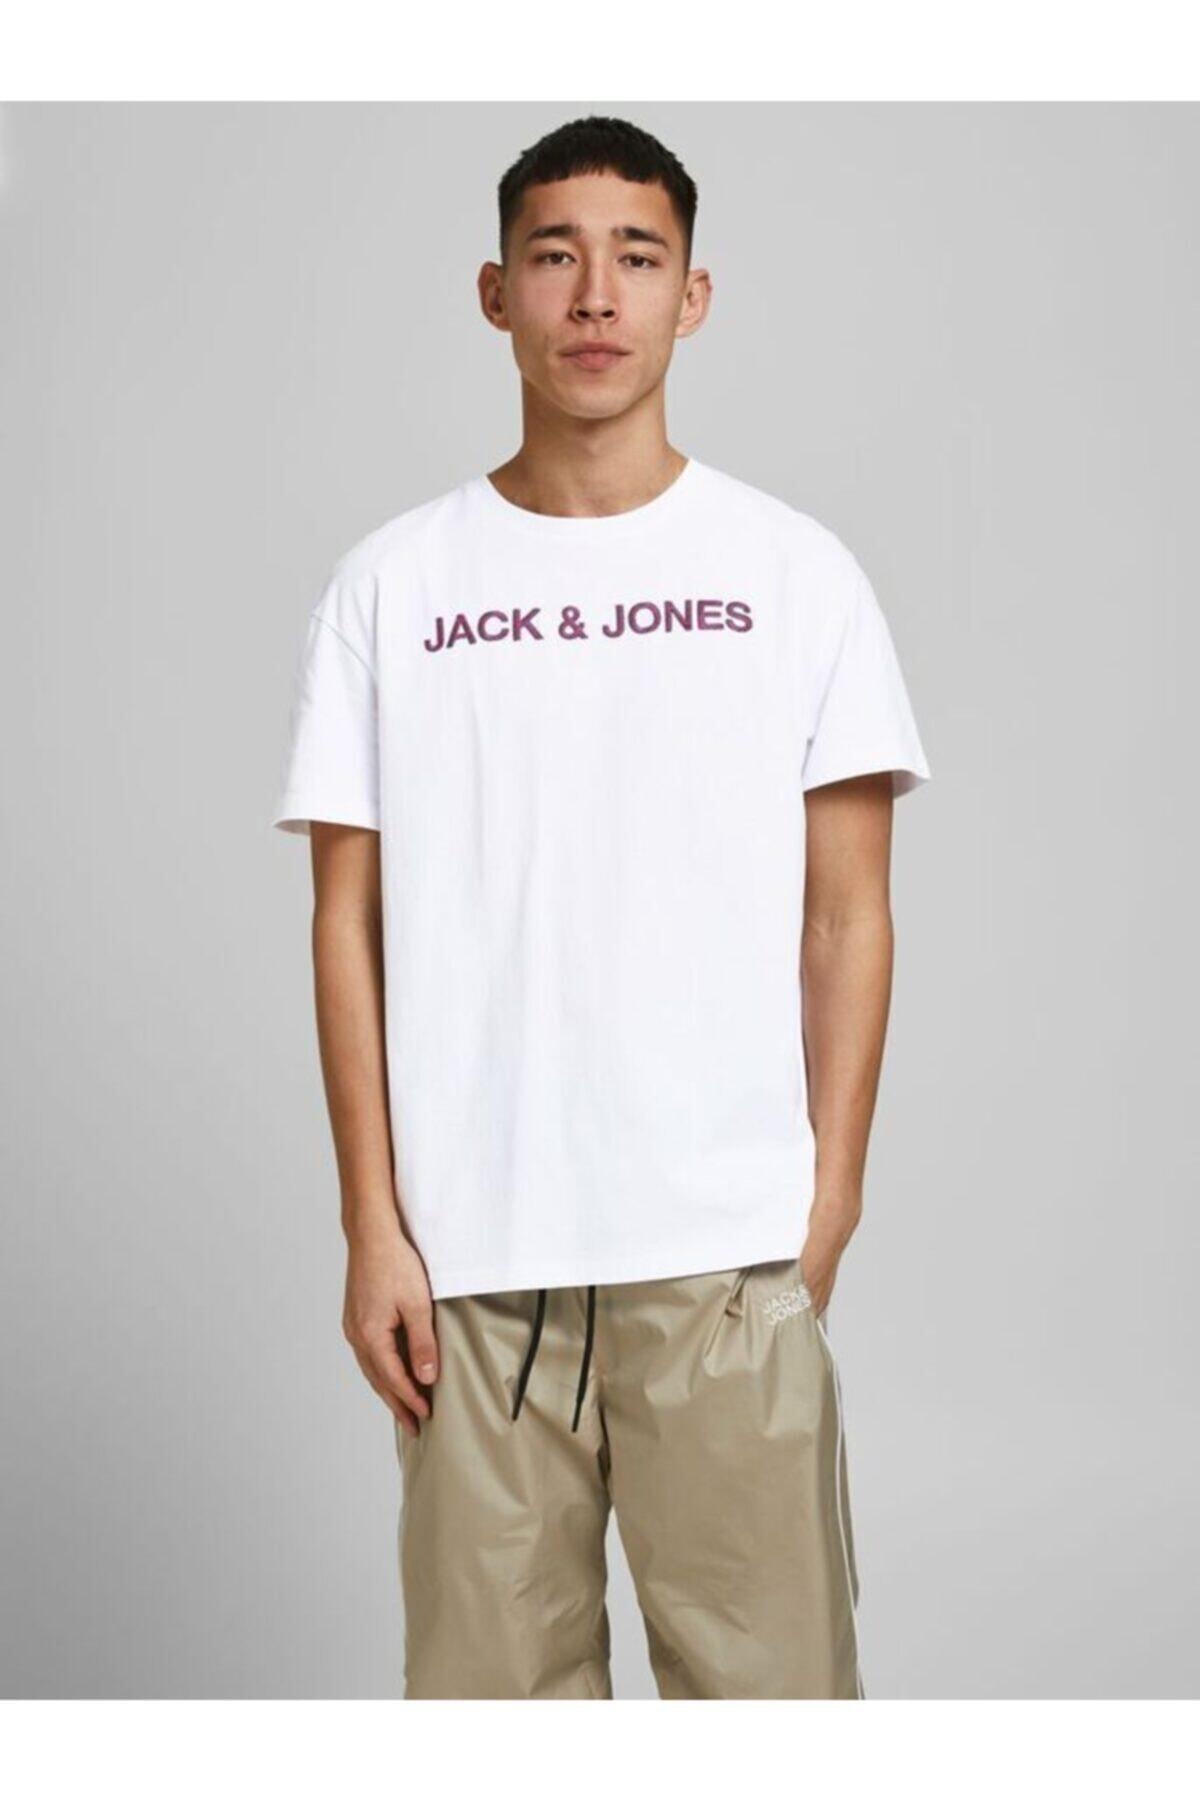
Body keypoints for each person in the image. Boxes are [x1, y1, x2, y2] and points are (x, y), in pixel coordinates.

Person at [271, 114, 931, 1700]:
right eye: (555, 255)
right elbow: (347, 927)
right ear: (494, 291)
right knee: (494, 1719)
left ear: (692, 297)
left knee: (773, 1710)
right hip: (475, 1263)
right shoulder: (391, 589)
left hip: (725, 1254)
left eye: (637, 258)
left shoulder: (796, 577)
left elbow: (847, 919)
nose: (594, 294)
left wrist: (827, 1204)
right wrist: (373, 1226)